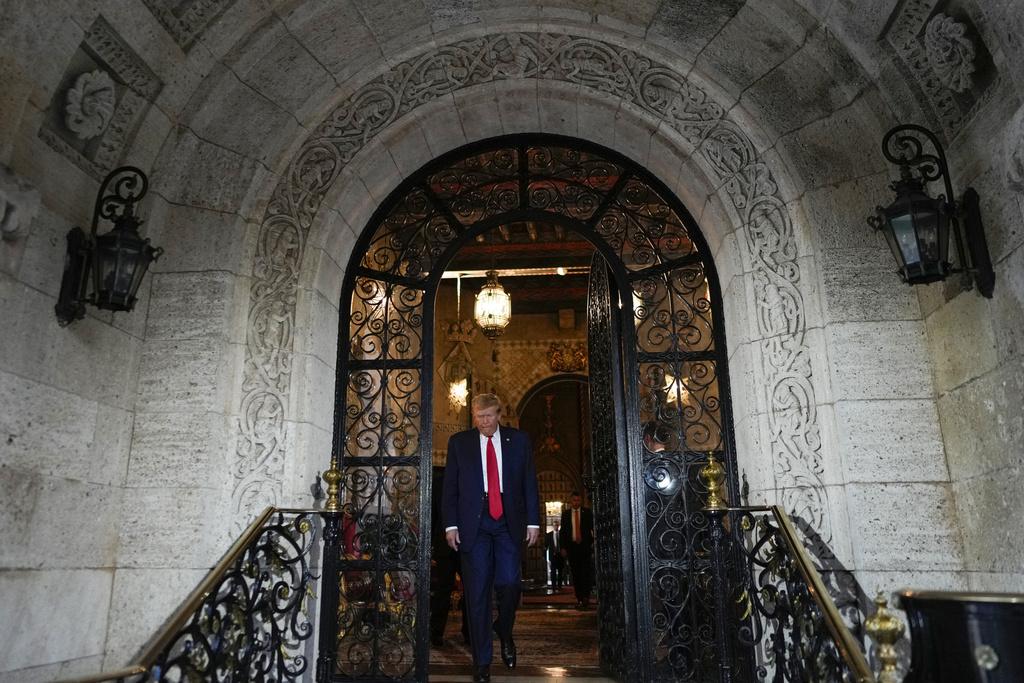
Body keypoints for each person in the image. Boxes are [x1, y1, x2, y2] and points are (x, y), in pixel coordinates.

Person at [443, 394, 541, 683]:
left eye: (488, 416)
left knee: (510, 583)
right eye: (478, 416)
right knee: (477, 594)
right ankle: (482, 663)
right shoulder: (459, 443)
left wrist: (533, 521)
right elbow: (450, 487)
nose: (483, 422)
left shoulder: (519, 441)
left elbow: (529, 481)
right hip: (473, 523)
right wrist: (451, 526)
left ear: (499, 414)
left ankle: (504, 630)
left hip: (508, 520)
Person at [559, 491, 594, 609]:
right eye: (574, 500)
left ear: (581, 501)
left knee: (586, 573)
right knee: (576, 574)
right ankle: (579, 598)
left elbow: (593, 528)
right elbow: (563, 532)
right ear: (571, 501)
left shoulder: (587, 513)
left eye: (578, 500)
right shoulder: (566, 514)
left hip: (585, 547)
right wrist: (563, 547)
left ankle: (586, 597)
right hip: (572, 548)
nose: (576, 502)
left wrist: (592, 543)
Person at [545, 520, 565, 589]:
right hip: (552, 556)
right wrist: (544, 556)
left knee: (560, 571)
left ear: (558, 526)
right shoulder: (549, 535)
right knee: (553, 571)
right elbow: (546, 546)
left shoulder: (562, 534)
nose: (555, 526)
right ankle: (553, 586)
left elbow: (564, 545)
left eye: (556, 525)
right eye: (554, 525)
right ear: (553, 526)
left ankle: (559, 586)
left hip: (560, 555)